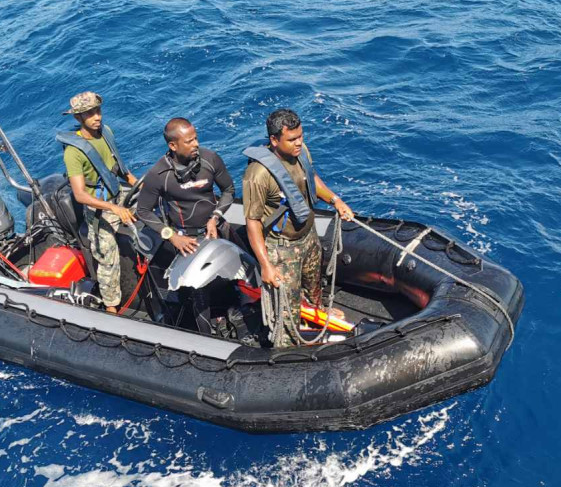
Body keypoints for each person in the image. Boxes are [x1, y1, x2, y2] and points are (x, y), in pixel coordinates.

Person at [243, 108, 354, 346]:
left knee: (314, 284)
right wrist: (266, 265)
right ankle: (287, 344)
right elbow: (252, 221)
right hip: (282, 247)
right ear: (274, 140)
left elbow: (311, 178)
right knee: (287, 305)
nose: (299, 143)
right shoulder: (258, 175)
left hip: (307, 235)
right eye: (292, 139)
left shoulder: (301, 152)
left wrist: (335, 200)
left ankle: (315, 313)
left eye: (300, 136)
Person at [56, 91, 138, 314]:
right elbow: (80, 195)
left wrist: (138, 185)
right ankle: (111, 306)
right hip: (98, 207)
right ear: (78, 118)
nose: (97, 117)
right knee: (107, 255)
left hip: (118, 193)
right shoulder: (73, 152)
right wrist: (114, 208)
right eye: (90, 113)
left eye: (98, 111)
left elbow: (119, 169)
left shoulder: (106, 132)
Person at [136, 118, 235, 257]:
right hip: (187, 240)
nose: (196, 144)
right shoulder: (158, 175)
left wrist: (215, 217)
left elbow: (228, 190)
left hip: (218, 226)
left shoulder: (210, 159)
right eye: (189, 142)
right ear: (173, 146)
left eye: (196, 138)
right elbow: (143, 211)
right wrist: (172, 236)